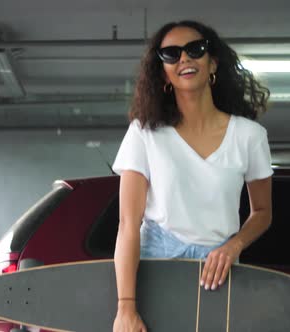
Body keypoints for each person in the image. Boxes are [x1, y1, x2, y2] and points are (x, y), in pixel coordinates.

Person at [111, 20, 273, 332]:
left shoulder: (250, 136)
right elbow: (128, 224)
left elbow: (263, 213)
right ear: (163, 73)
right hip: (154, 265)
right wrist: (126, 308)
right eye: (171, 54)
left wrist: (234, 245)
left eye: (194, 50)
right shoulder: (144, 133)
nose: (184, 58)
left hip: (220, 270)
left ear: (212, 62)